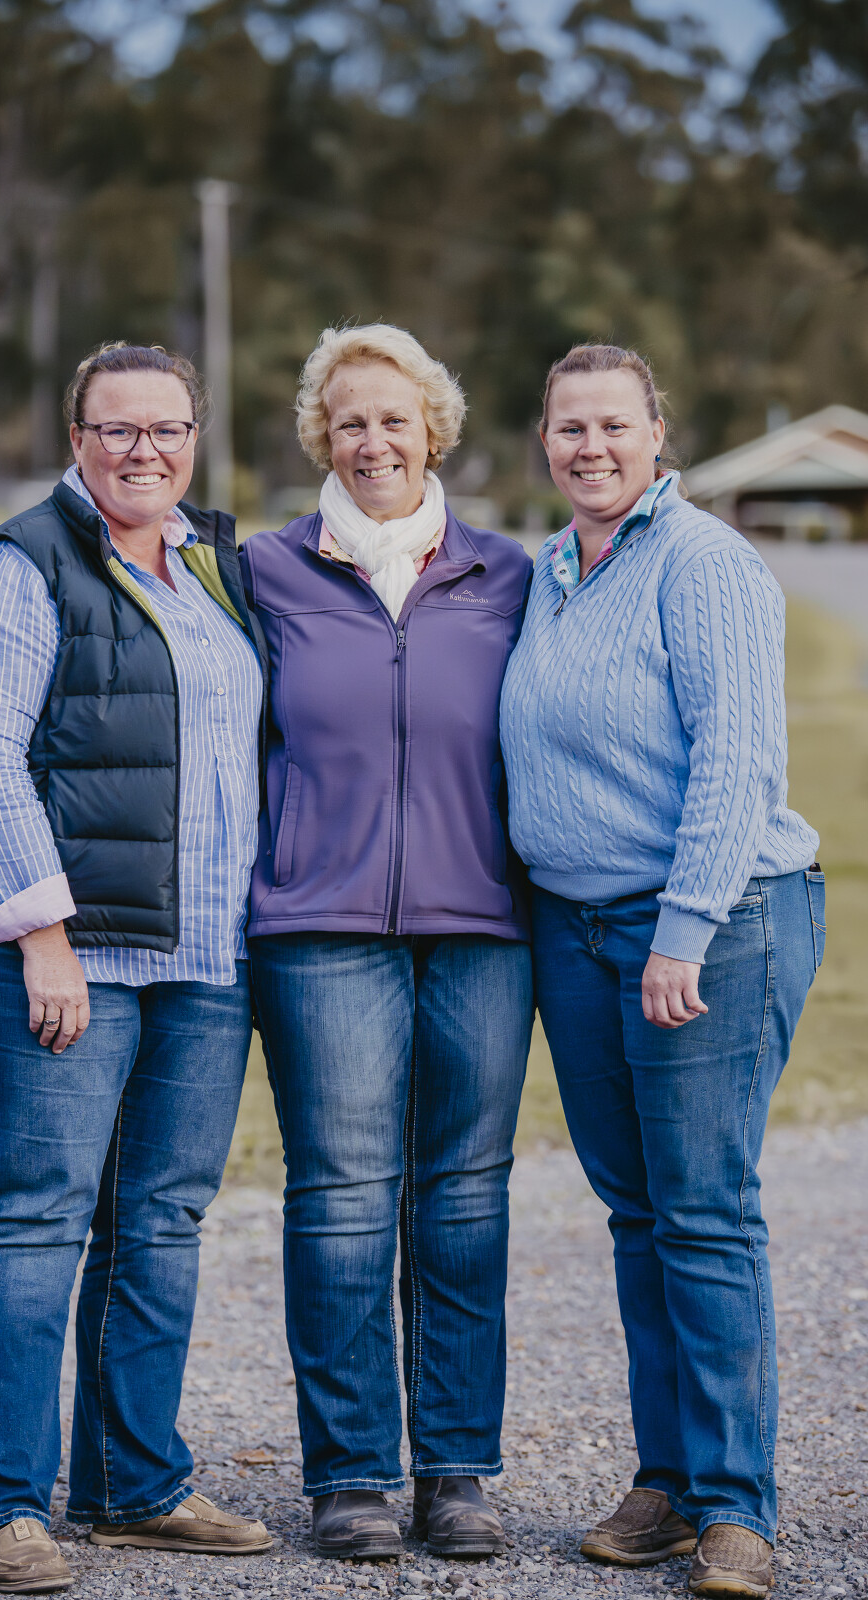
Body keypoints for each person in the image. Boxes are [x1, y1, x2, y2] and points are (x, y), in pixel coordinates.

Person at [0, 341, 272, 1593]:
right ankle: (3, 1505)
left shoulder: (206, 565)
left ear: (195, 439)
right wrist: (44, 938)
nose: (143, 450)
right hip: (63, 953)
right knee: (36, 1211)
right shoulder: (19, 567)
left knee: (158, 1218)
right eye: (117, 428)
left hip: (202, 950)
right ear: (77, 439)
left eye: (166, 428)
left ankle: (132, 1484)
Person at [500, 343, 824, 1599]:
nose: (590, 447)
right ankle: (669, 1481)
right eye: (568, 427)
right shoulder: (550, 570)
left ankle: (737, 1506)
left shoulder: (702, 562)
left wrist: (681, 929)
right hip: (576, 931)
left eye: (612, 425)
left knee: (700, 1210)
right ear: (543, 439)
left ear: (654, 434)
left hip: (705, 924)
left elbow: (735, 758)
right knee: (636, 1214)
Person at [242, 324, 534, 1561]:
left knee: (464, 1196)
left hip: (481, 928)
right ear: (322, 434)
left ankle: (455, 1473)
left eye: (394, 418)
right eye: (348, 419)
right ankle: (350, 1475)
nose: (372, 440)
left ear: (434, 432)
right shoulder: (262, 570)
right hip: (319, 927)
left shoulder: (508, 573)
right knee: (342, 1196)